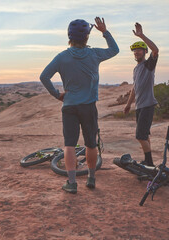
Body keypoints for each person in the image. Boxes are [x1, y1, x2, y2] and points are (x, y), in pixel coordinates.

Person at [40, 17, 119, 194]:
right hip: (89, 106)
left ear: (69, 36)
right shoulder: (94, 54)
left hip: (69, 107)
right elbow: (115, 50)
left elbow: (44, 76)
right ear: (87, 37)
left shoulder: (62, 57)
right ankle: (91, 178)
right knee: (91, 144)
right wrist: (105, 32)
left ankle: (72, 183)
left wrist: (57, 94)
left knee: (69, 145)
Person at [123, 22, 159, 167]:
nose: (136, 52)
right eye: (135, 51)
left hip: (148, 105)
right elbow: (134, 88)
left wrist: (141, 35)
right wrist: (128, 104)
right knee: (145, 136)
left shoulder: (148, 65)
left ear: (144, 52)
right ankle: (148, 161)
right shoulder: (136, 69)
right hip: (140, 106)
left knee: (140, 136)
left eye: (139, 50)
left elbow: (156, 50)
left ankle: (149, 162)